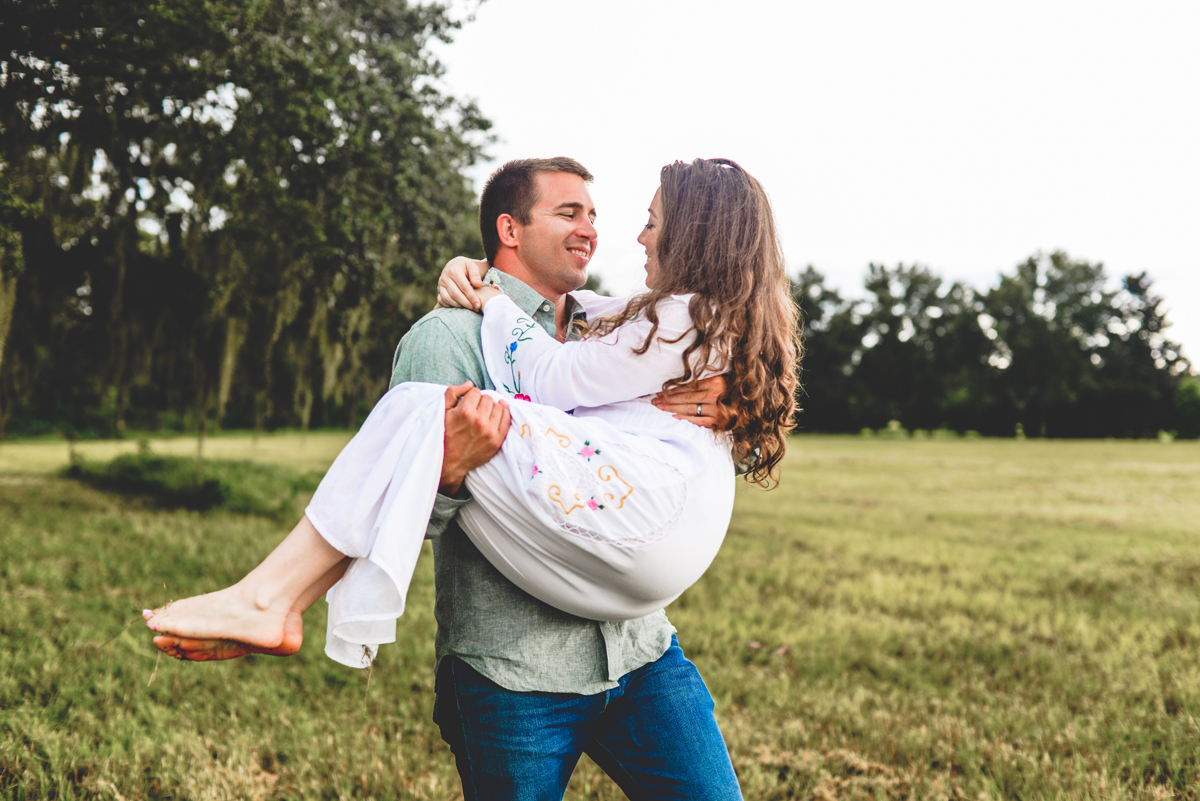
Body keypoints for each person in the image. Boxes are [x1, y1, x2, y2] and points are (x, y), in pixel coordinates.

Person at [146, 157, 799, 798]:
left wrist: (736, 411)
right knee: (418, 414)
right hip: (516, 673)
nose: (595, 230)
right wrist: (451, 471)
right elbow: (398, 513)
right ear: (510, 229)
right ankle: (268, 601)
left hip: (639, 654)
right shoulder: (446, 341)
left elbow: (672, 456)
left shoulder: (627, 323)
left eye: (596, 215)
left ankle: (270, 597)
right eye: (569, 211)